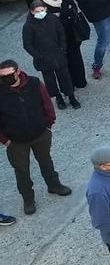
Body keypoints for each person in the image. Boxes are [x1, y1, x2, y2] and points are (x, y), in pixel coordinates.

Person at [0, 59, 72, 217]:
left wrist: (48, 126)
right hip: (16, 141)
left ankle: (54, 185)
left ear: (18, 72)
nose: (6, 79)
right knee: (21, 171)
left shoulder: (34, 83)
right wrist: (5, 140)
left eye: (9, 75)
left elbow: (46, 103)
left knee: (46, 161)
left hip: (40, 134)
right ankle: (28, 199)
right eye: (2, 77)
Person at [22, 1, 80, 109]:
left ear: (45, 9)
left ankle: (71, 96)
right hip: (43, 58)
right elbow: (27, 44)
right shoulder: (28, 26)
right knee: (50, 80)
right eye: (37, 11)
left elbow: (61, 33)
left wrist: (63, 48)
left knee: (65, 77)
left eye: (42, 10)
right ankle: (58, 98)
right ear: (32, 12)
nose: (40, 13)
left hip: (58, 54)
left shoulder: (53, 19)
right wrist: (38, 55)